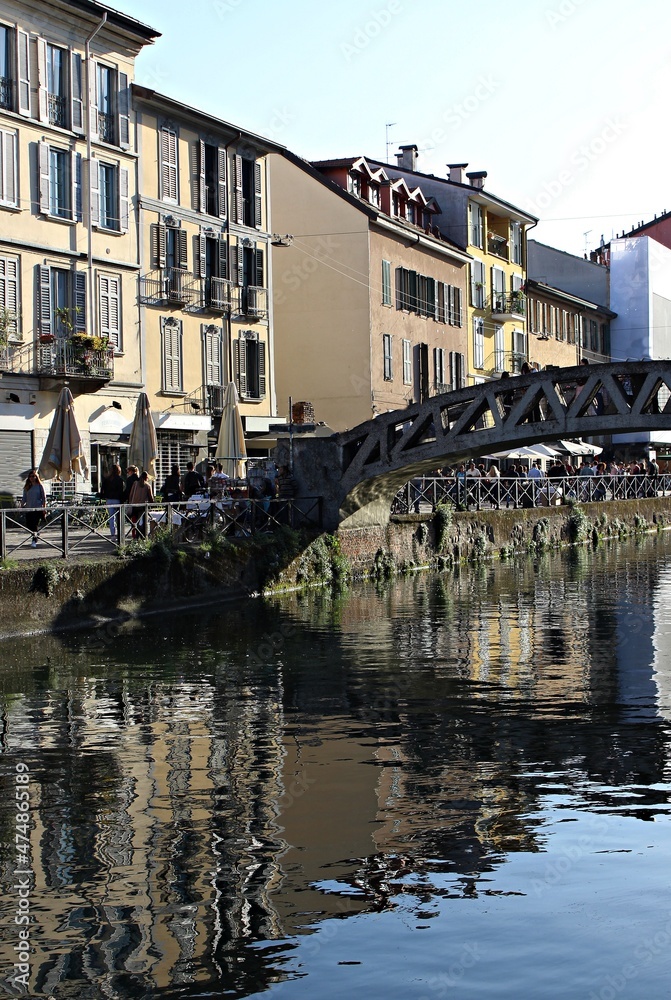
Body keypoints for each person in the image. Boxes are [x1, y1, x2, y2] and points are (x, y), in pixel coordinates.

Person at [21, 469, 46, 548]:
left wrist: (44, 508)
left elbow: (43, 497)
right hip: (29, 508)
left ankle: (34, 540)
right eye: (30, 476)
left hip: (37, 508)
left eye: (33, 476)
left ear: (36, 477)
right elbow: (24, 497)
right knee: (29, 525)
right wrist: (22, 505)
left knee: (35, 525)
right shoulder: (27, 487)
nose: (32, 478)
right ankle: (36, 534)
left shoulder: (39, 486)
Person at [100, 463, 124, 541]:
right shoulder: (120, 480)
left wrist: (103, 496)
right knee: (118, 518)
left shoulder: (107, 479)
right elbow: (121, 491)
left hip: (109, 500)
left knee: (111, 518)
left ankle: (113, 535)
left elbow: (102, 490)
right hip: (117, 500)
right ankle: (120, 534)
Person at [128, 470, 154, 538]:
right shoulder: (147, 486)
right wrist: (152, 504)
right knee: (142, 522)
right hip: (142, 507)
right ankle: (142, 536)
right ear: (146, 478)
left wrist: (130, 502)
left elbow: (131, 494)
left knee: (135, 521)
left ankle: (136, 536)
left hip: (134, 506)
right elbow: (151, 498)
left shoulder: (135, 483)